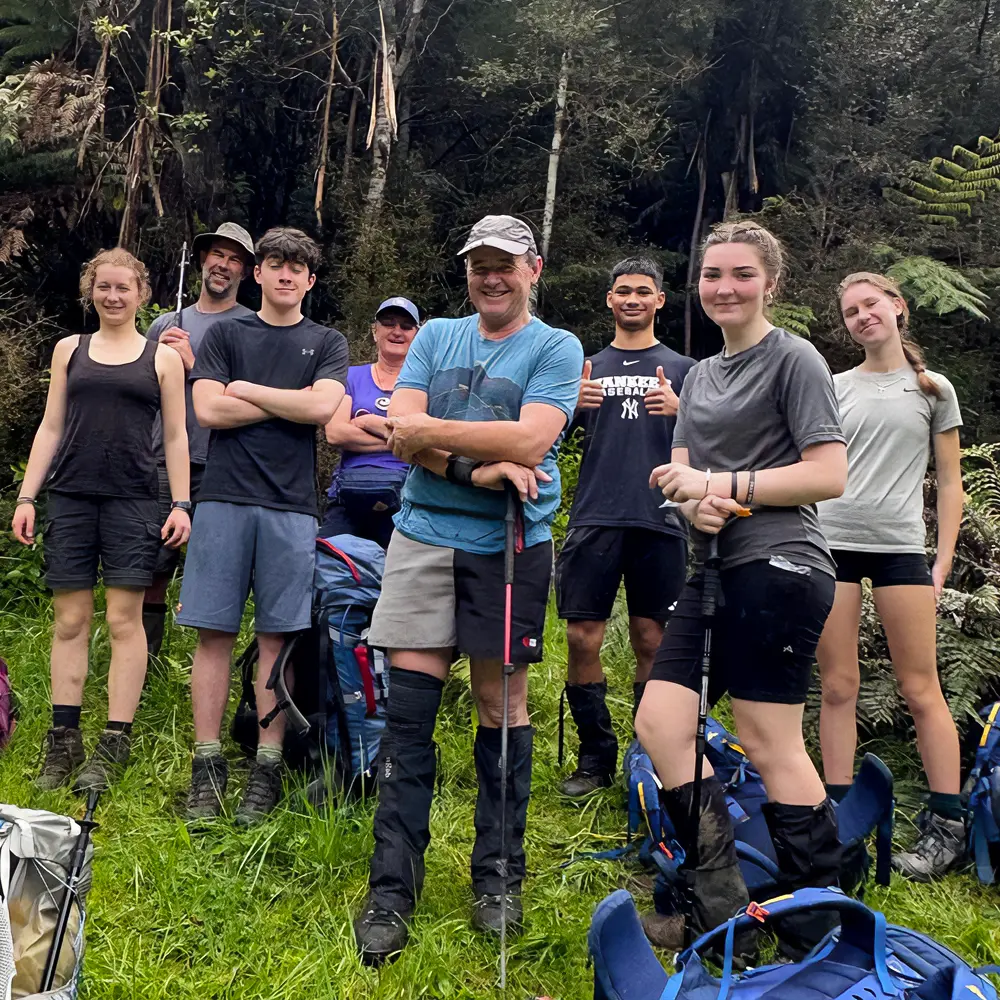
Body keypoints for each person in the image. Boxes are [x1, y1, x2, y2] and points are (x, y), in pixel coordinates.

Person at [352, 214, 583, 965]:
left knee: (502, 709)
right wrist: (475, 468)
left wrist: (432, 437)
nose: (491, 275)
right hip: (422, 540)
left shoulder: (556, 347)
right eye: (479, 263)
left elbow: (529, 440)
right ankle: (392, 889)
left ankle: (498, 879)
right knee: (410, 716)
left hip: (510, 548)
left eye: (505, 264)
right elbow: (398, 432)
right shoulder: (434, 336)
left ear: (533, 269)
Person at [634, 221, 848, 957]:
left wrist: (725, 485)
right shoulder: (698, 377)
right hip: (713, 568)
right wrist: (695, 500)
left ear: (771, 283)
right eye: (713, 273)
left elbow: (828, 473)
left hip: (782, 567)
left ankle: (817, 924)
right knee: (662, 724)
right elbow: (683, 481)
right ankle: (723, 916)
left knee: (769, 740)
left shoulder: (795, 359)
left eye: (742, 274)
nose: (725, 286)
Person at [177, 227, 348, 826]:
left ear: (310, 280)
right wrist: (283, 398)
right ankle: (207, 765)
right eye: (275, 263)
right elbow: (207, 410)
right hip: (223, 498)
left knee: (278, 642)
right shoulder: (227, 331)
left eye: (297, 267)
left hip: (291, 507)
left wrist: (243, 389)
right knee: (214, 635)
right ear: (260, 273)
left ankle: (267, 768)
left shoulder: (327, 341)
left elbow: (323, 408)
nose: (284, 274)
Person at [12, 248, 191, 792]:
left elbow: (177, 437)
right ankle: (63, 740)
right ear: (91, 291)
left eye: (123, 288)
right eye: (103, 287)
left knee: (122, 621)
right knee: (69, 620)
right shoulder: (69, 350)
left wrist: (181, 504)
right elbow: (49, 427)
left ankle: (115, 741)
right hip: (69, 497)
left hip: (134, 501)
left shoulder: (162, 358)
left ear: (141, 293)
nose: (113, 297)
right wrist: (26, 497)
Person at [816, 271, 965, 880]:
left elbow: (951, 483)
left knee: (920, 687)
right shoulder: (832, 385)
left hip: (900, 549)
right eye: (850, 311)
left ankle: (946, 827)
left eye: (870, 305)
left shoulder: (933, 389)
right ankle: (835, 822)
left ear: (898, 308)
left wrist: (943, 559)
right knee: (838, 686)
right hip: (831, 544)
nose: (861, 317)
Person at [555, 257, 693, 796]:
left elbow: (714, 446)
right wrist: (571, 406)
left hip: (662, 518)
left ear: (661, 300)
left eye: (643, 291)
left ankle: (650, 755)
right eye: (622, 291)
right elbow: (543, 443)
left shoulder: (685, 369)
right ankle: (595, 758)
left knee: (652, 640)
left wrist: (684, 411)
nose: (632, 299)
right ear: (609, 301)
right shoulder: (584, 367)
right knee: (580, 636)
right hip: (595, 515)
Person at [141, 223, 256, 657]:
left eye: (234, 259)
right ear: (203, 260)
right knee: (151, 569)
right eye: (217, 255)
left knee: (215, 571)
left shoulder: (252, 326)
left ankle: (204, 665)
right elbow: (144, 395)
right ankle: (144, 666)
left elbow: (252, 397)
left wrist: (194, 366)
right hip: (161, 462)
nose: (223, 265)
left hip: (224, 461)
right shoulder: (165, 324)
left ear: (245, 272)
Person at [321, 296, 420, 548]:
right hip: (348, 498)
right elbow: (336, 433)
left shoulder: (423, 387)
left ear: (417, 335)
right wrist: (402, 439)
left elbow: (426, 438)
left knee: (400, 583)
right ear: (374, 331)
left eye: (406, 326)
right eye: (388, 322)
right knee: (332, 570)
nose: (397, 331)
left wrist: (366, 422)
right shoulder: (350, 376)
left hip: (407, 501)